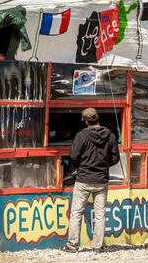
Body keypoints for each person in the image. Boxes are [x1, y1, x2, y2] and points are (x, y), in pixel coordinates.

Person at [61, 108, 120, 253]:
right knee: (100, 215)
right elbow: (115, 158)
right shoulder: (110, 135)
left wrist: (83, 164)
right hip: (101, 180)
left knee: (76, 213)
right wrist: (103, 165)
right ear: (98, 118)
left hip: (83, 180)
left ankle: (72, 245)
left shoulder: (82, 135)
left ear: (86, 121)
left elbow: (74, 156)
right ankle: (98, 246)